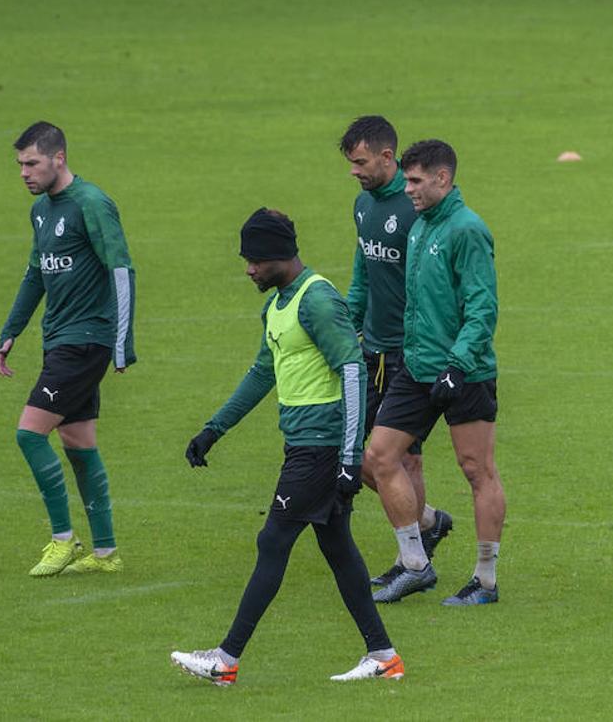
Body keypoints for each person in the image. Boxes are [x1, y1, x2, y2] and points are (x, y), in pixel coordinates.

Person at [172, 209, 403, 685]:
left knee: (272, 540)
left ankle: (226, 659)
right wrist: (214, 429)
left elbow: (354, 370)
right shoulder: (277, 305)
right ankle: (382, 656)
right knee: (339, 549)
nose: (248, 269)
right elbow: (263, 373)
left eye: (254, 260)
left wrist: (348, 458)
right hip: (303, 443)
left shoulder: (318, 301)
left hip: (320, 447)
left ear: (279, 254)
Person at [362, 139, 504, 606]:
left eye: (417, 181)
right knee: (379, 457)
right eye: (406, 180)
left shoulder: (467, 230)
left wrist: (458, 365)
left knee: (476, 470)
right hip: (417, 368)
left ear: (443, 178)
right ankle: (415, 565)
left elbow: (483, 307)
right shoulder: (421, 226)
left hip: (464, 372)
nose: (409, 190)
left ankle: (485, 580)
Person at [0, 121, 134, 576]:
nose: (24, 172)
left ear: (59, 158)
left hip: (85, 341)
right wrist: (12, 328)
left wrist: (123, 341)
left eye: (32, 163)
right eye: (20, 164)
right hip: (60, 339)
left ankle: (62, 540)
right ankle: (106, 553)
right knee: (78, 443)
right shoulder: (41, 210)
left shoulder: (91, 204)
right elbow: (36, 272)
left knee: (29, 433)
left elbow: (121, 269)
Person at [339, 116, 453, 587]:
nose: (354, 171)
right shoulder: (363, 205)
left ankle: (413, 560)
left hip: (411, 353)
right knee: (367, 459)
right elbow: (363, 268)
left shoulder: (414, 210)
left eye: (361, 162)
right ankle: (426, 523)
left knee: (401, 459)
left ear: (389, 157)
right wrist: (350, 321)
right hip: (373, 349)